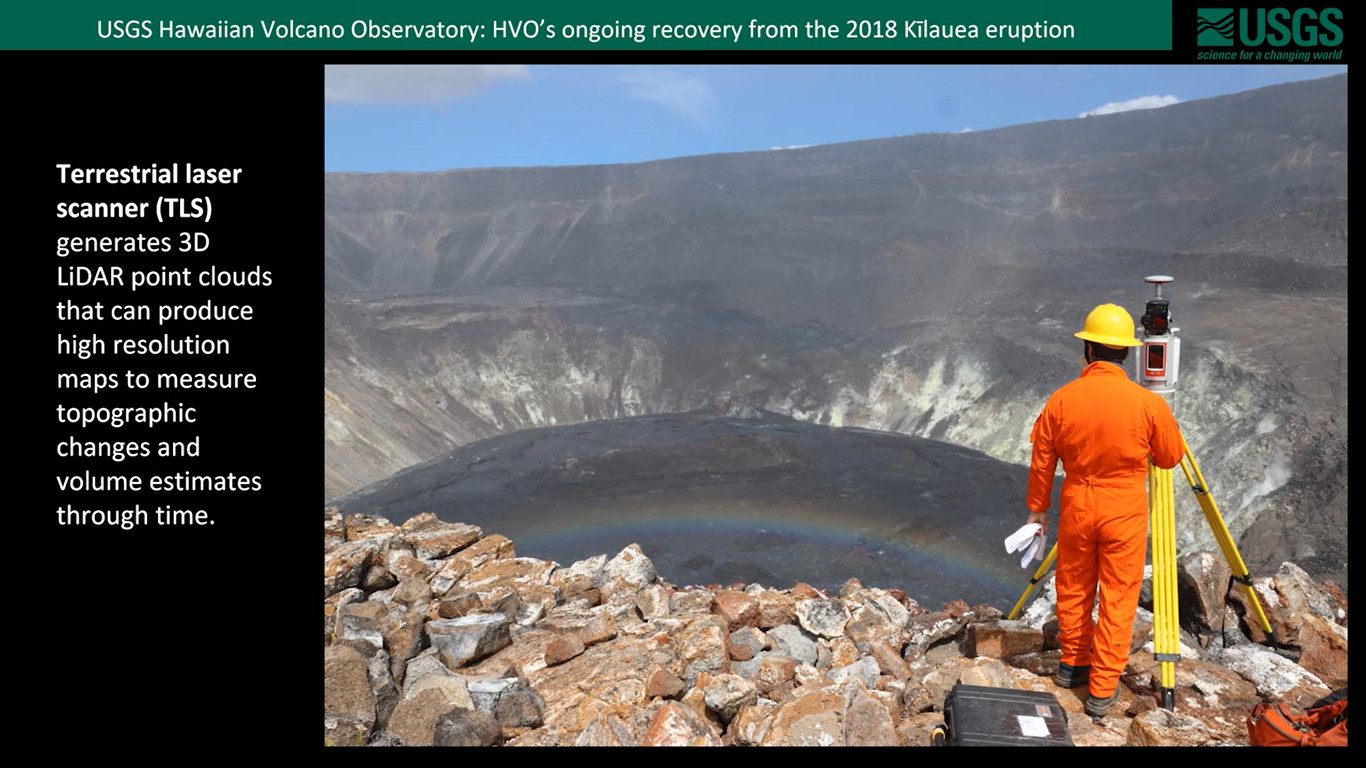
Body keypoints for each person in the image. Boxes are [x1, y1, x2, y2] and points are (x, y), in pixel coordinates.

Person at [1025, 303, 1184, 718]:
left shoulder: (1061, 400)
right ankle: (1101, 689)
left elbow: (1042, 458)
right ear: (1127, 353)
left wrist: (1037, 510)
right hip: (1125, 509)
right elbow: (1169, 458)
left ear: (1089, 352)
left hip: (1078, 503)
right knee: (1118, 595)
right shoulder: (1148, 403)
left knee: (1074, 585)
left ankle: (1072, 666)